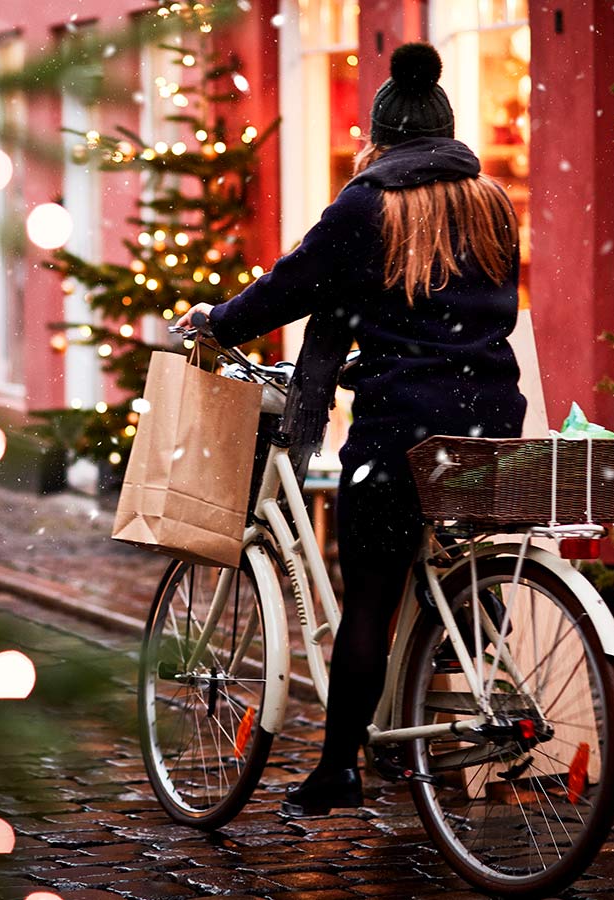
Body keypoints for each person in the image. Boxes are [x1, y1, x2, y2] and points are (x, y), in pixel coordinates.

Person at [175, 42, 526, 817]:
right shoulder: (492, 200)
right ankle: (423, 732)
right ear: (446, 128)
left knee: (368, 596)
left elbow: (292, 285)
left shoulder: (369, 203)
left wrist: (218, 320)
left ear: (381, 134)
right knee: (434, 568)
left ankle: (339, 766)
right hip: (489, 416)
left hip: (402, 423)